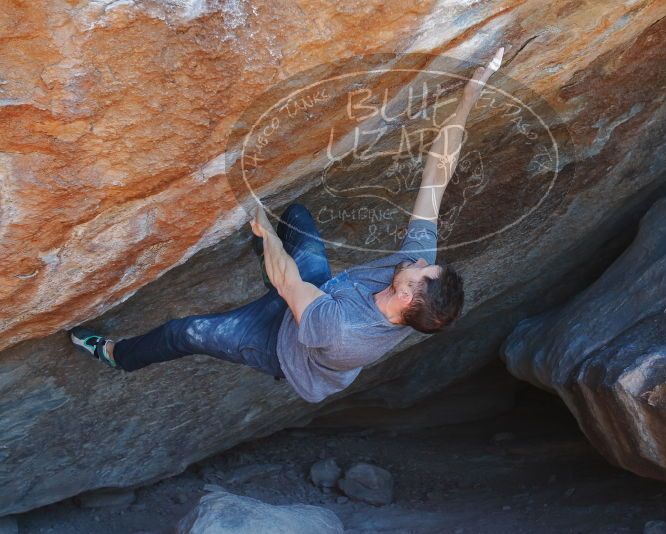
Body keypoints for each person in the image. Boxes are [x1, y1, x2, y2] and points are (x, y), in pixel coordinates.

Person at [69, 47, 505, 404]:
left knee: (186, 331)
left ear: (407, 293)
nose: (417, 259)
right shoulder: (416, 274)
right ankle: (272, 260)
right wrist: (472, 93)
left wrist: (267, 235)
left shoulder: (344, 332)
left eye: (419, 270)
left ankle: (116, 355)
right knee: (297, 218)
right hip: (318, 294)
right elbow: (437, 176)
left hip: (281, 345)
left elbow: (286, 278)